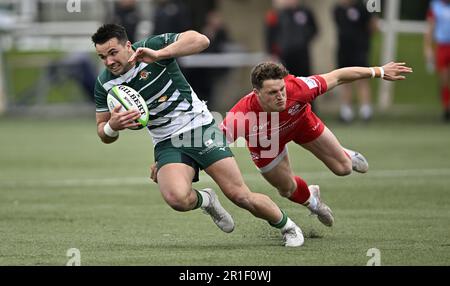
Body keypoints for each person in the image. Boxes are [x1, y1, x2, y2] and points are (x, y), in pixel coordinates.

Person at [91, 24, 305, 247]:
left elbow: (201, 40)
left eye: (113, 53)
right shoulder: (104, 83)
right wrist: (112, 127)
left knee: (240, 195)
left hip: (199, 128)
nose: (108, 62)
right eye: (102, 57)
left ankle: (288, 226)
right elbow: (102, 132)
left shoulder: (150, 48)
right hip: (166, 141)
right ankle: (207, 200)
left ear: (127, 46)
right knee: (177, 199)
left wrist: (161, 54)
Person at [220, 61, 412, 227]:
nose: (280, 96)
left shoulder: (299, 88)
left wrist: (378, 71)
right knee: (286, 189)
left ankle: (343, 153)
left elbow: (338, 76)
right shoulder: (241, 117)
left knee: (344, 168)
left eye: (282, 89)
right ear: (257, 93)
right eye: (272, 92)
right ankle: (313, 202)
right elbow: (211, 144)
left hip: (301, 124)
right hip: (266, 144)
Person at [265, 0, 318, 111]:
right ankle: (290, 113)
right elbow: (270, 35)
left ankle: (310, 111)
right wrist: (272, 54)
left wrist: (303, 39)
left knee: (306, 83)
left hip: (302, 54)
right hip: (284, 55)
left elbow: (314, 29)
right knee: (287, 85)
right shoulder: (276, 14)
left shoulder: (305, 12)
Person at [334, 0, 378, 123]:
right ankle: (346, 112)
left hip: (360, 50)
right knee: (344, 79)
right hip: (344, 50)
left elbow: (373, 26)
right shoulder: (338, 10)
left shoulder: (363, 8)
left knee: (363, 79)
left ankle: (366, 111)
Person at [424, 0, 450, 122]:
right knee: (444, 80)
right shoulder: (435, 6)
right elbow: (430, 27)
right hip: (442, 46)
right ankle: (446, 109)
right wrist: (427, 47)